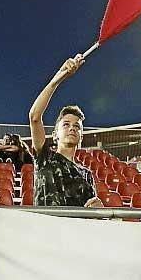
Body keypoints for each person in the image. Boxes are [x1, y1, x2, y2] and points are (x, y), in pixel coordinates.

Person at [28, 54, 103, 207]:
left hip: (72, 230)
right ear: (55, 134)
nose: (72, 128)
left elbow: (89, 213)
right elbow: (34, 116)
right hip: (45, 229)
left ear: (81, 136)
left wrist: (98, 210)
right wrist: (59, 77)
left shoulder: (86, 175)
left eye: (77, 126)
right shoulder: (45, 157)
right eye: (66, 124)